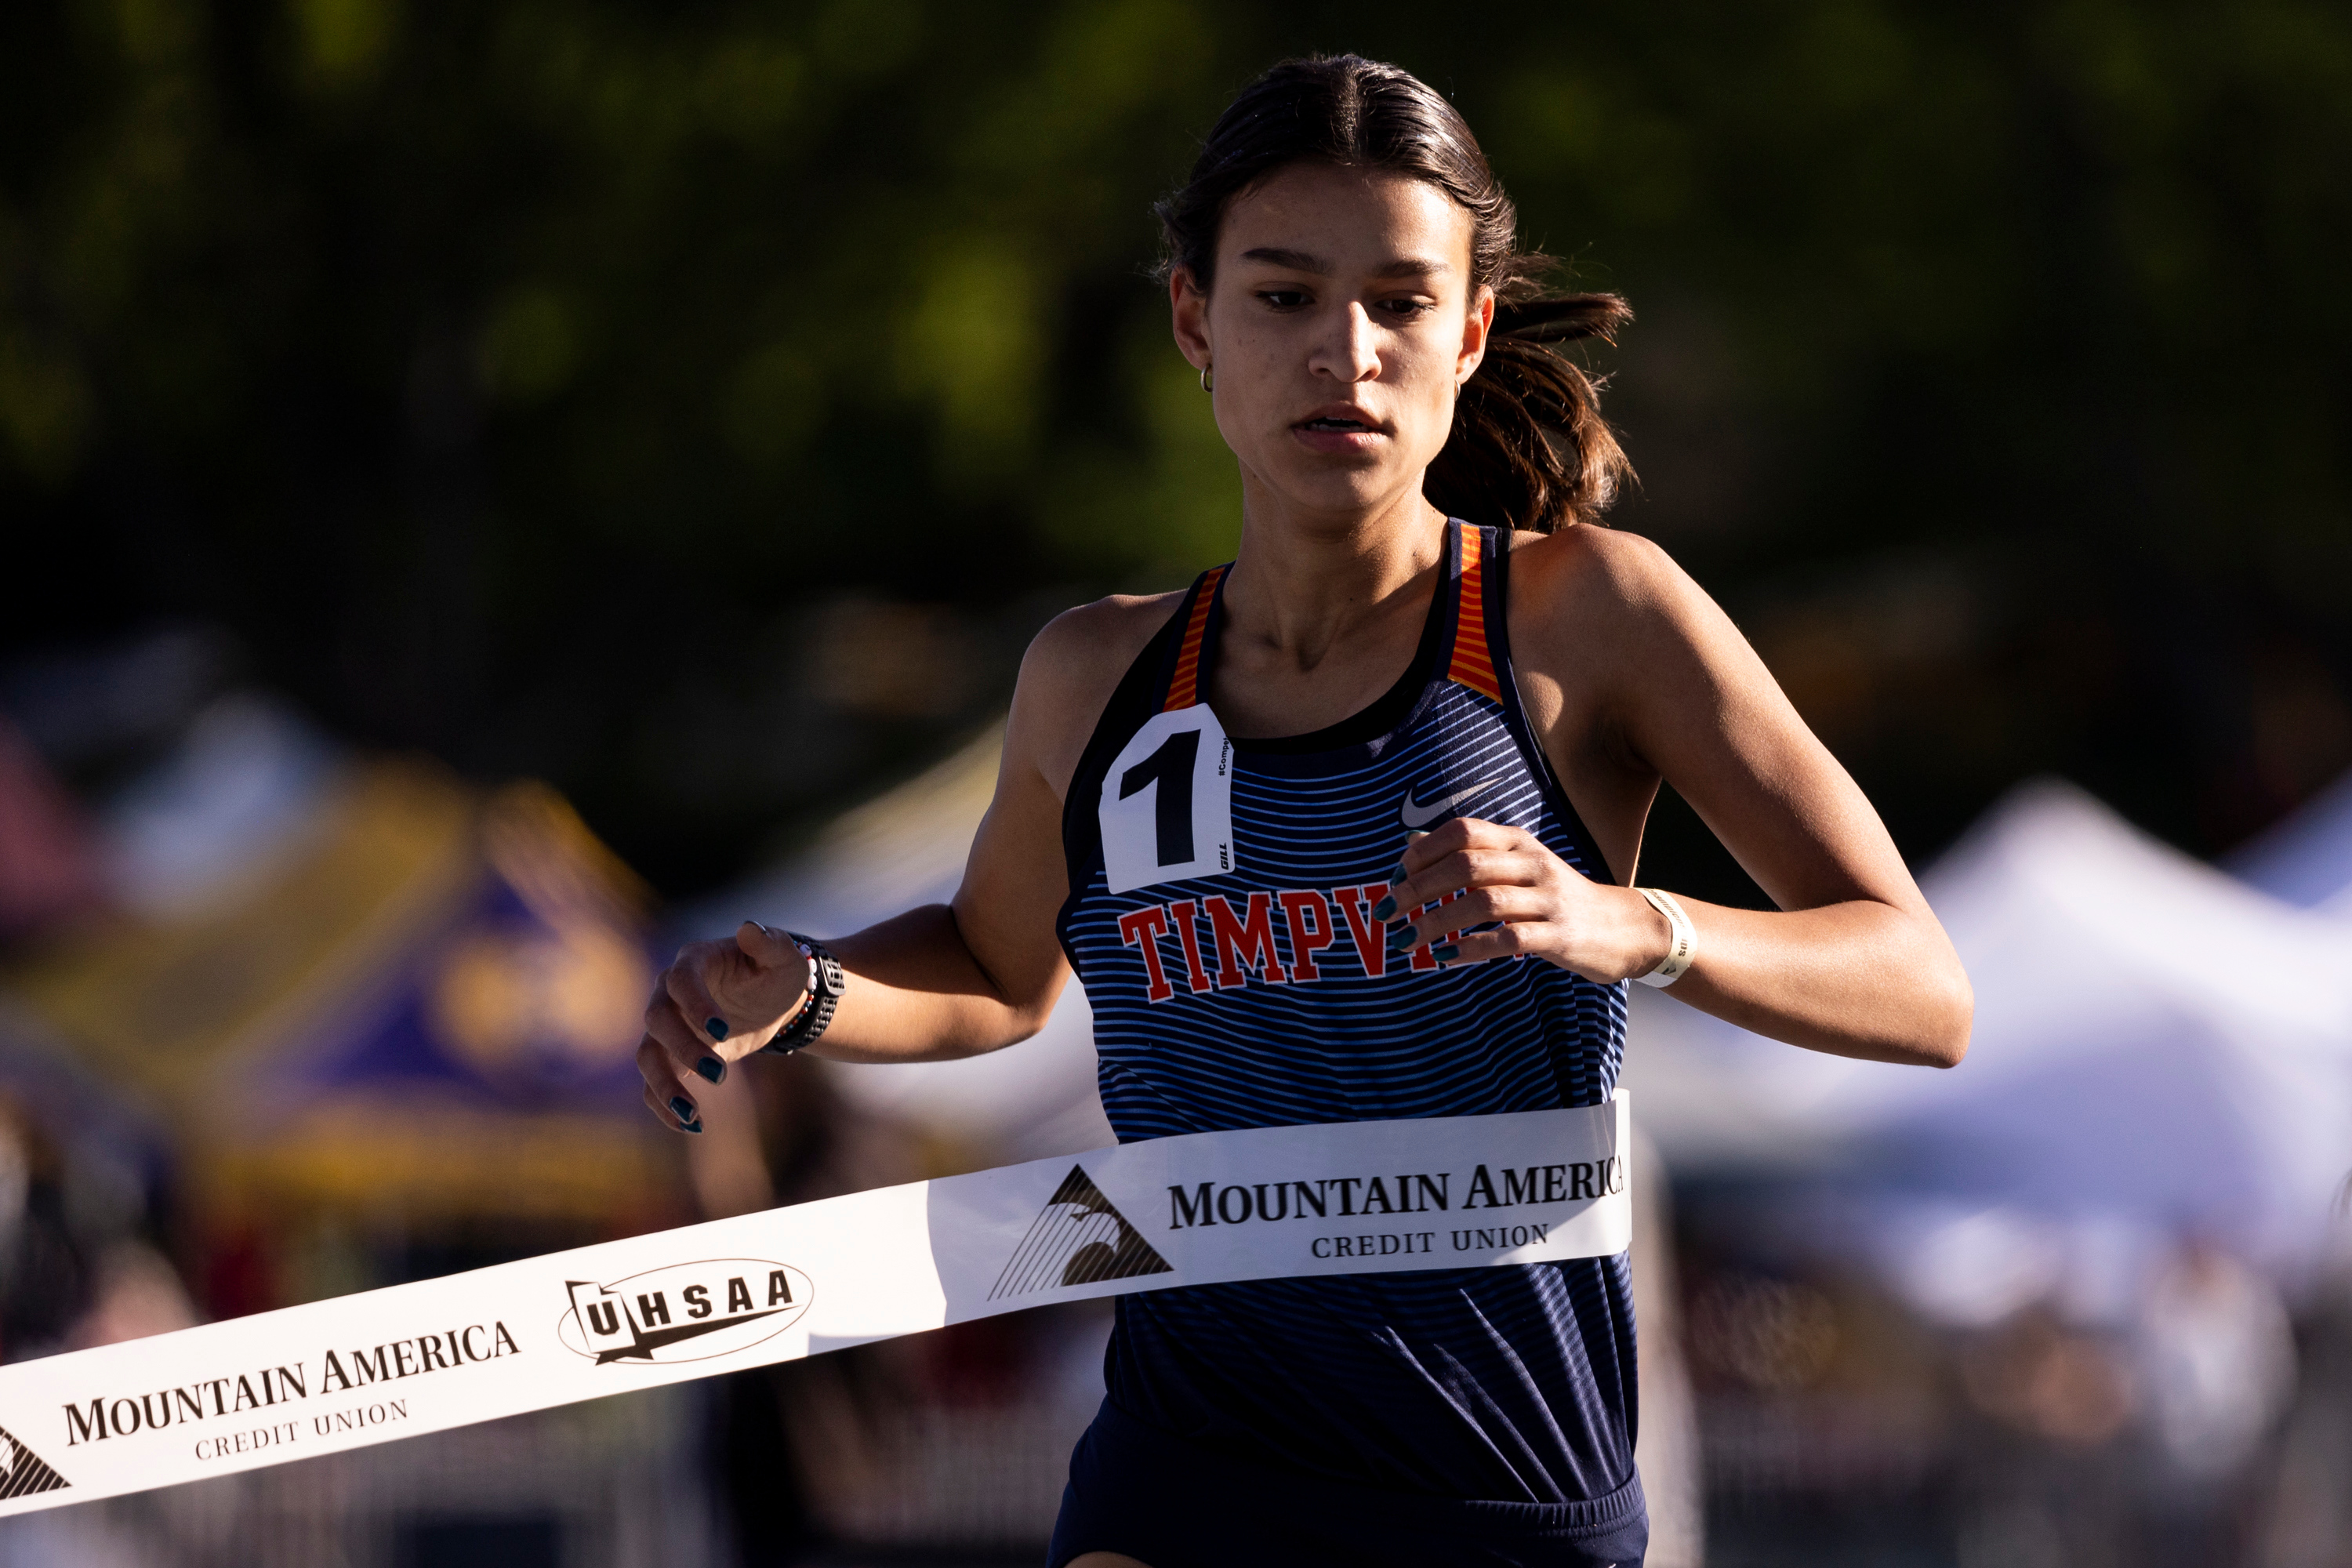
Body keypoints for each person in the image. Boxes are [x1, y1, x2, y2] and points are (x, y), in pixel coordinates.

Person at [638, 53, 1971, 1568]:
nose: (1345, 350)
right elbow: (1001, 974)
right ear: (1193, 322)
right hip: (1183, 1468)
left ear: (1470, 332)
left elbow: (1922, 988)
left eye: (1400, 300)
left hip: (1502, 1485)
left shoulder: (1589, 615)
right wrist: (809, 991)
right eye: (1281, 296)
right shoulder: (1094, 675)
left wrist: (1629, 925)